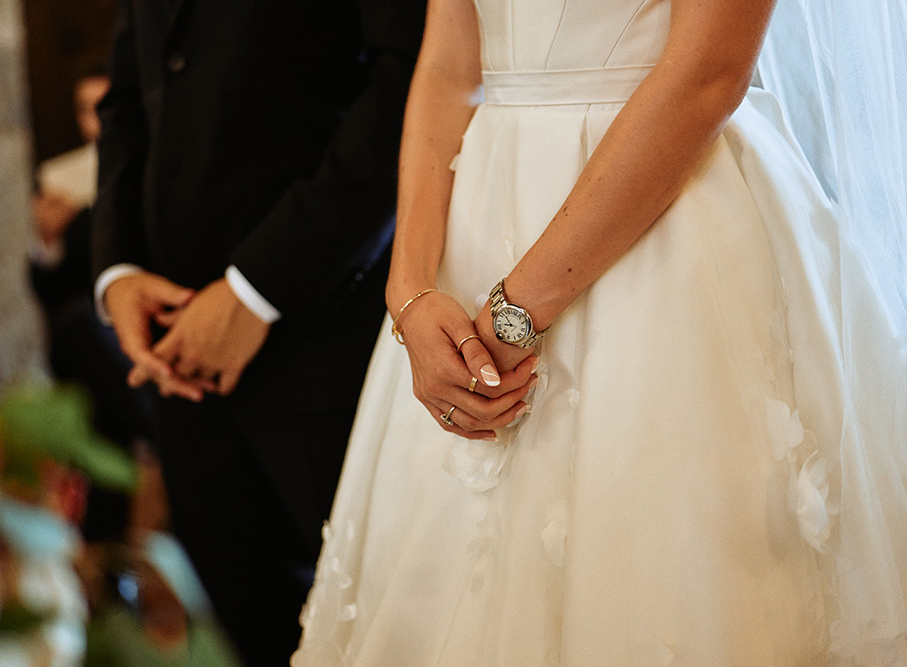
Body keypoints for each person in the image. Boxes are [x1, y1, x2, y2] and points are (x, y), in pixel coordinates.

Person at [293, 0, 907, 664]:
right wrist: (410, 289)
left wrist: (516, 311)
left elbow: (709, 72)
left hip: (662, 213)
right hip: (469, 240)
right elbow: (447, 62)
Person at [91, 1, 425, 664]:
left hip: (331, 333)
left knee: (385, 633)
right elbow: (130, 96)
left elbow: (411, 82)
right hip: (179, 356)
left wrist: (258, 289)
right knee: (251, 630)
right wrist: (119, 271)